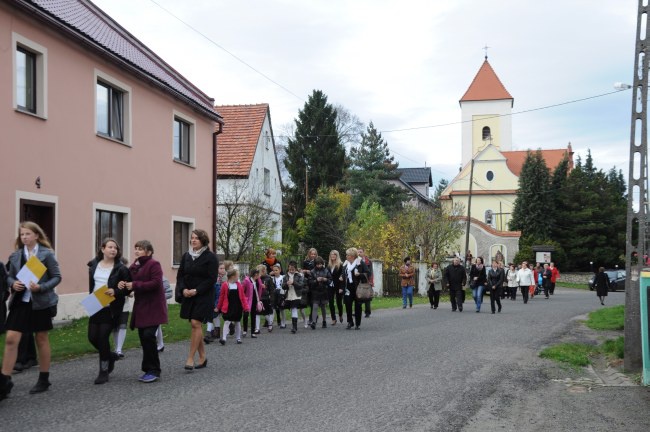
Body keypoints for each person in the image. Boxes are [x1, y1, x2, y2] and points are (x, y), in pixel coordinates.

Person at [1, 221, 61, 399]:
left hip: (40, 302)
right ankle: (4, 381)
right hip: (21, 301)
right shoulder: (16, 255)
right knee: (11, 338)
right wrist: (13, 283)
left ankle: (44, 378)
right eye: (22, 234)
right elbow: (9, 276)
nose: (24, 237)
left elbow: (57, 277)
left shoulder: (47, 254)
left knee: (41, 338)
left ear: (36, 235)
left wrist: (41, 287)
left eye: (27, 234)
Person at [119, 240, 167, 383]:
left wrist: (135, 284)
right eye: (136, 248)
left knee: (148, 336)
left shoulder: (154, 264)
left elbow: (155, 283)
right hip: (141, 307)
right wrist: (124, 284)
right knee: (143, 338)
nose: (137, 251)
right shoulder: (134, 266)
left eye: (140, 249)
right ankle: (147, 369)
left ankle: (154, 370)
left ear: (149, 252)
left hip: (154, 306)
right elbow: (129, 282)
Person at [87, 238, 130, 384]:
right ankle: (110, 356)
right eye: (110, 247)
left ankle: (103, 371)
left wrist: (116, 291)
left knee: (103, 337)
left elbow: (128, 288)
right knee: (92, 337)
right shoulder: (94, 265)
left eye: (115, 248)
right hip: (95, 304)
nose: (113, 250)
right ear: (102, 249)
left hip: (111, 308)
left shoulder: (121, 268)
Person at [176, 229, 218, 371]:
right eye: (192, 238)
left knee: (196, 322)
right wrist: (183, 290)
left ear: (203, 240)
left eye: (196, 238)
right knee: (196, 326)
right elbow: (180, 275)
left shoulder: (210, 257)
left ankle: (190, 358)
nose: (193, 240)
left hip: (203, 295)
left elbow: (211, 279)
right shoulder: (186, 256)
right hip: (188, 294)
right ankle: (203, 357)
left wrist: (197, 290)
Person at [217, 268, 248, 344]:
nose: (238, 277)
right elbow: (221, 297)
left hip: (237, 306)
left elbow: (243, 297)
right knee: (227, 321)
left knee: (237, 322)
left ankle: (238, 338)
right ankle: (224, 338)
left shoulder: (239, 285)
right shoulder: (225, 285)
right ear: (233, 276)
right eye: (237, 276)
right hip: (228, 307)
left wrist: (246, 306)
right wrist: (218, 307)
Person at [341, 248, 370, 330]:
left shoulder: (360, 263)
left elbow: (368, 273)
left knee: (358, 306)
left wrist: (359, 274)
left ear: (353, 256)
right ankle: (350, 322)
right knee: (348, 305)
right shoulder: (346, 264)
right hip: (348, 288)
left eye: (348, 255)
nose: (346, 256)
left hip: (358, 287)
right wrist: (341, 277)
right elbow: (343, 274)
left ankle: (357, 323)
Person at [204, 262, 226, 344]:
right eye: (221, 268)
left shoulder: (223, 280)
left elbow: (218, 295)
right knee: (212, 317)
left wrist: (217, 304)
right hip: (211, 303)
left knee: (220, 316)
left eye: (223, 268)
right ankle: (212, 333)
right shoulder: (211, 282)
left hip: (221, 301)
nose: (222, 270)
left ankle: (215, 332)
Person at [308, 257, 332, 329]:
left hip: (324, 291)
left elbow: (330, 280)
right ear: (315, 264)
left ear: (322, 264)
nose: (319, 266)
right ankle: (314, 322)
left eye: (320, 264)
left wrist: (325, 279)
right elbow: (309, 282)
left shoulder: (326, 270)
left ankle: (324, 321)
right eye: (317, 264)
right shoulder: (312, 271)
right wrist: (316, 280)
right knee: (315, 306)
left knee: (323, 307)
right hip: (315, 291)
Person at [283, 261, 305, 334]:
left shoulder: (299, 275)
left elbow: (300, 286)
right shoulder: (285, 276)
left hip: (296, 295)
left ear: (295, 269)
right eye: (290, 269)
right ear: (288, 268)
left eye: (293, 269)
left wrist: (293, 283)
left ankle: (294, 327)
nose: (291, 271)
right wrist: (286, 284)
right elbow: (283, 286)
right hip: (289, 295)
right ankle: (294, 326)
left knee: (294, 309)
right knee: (292, 309)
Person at [242, 268, 260, 338]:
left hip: (255, 300)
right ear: (255, 274)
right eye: (258, 274)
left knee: (253, 315)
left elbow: (259, 289)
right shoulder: (247, 281)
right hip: (248, 300)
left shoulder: (257, 281)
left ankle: (252, 332)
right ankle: (245, 330)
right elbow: (242, 290)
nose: (259, 276)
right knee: (246, 315)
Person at [327, 250, 344, 325]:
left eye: (334, 255)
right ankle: (333, 318)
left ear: (337, 256)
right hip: (330, 285)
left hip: (338, 285)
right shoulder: (328, 265)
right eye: (331, 255)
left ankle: (340, 314)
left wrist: (341, 287)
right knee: (330, 302)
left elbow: (342, 277)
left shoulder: (340, 265)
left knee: (339, 302)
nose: (332, 256)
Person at [256, 264, 274, 332]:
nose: (259, 274)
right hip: (258, 298)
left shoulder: (268, 278)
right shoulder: (256, 279)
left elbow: (272, 289)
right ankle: (257, 328)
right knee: (257, 313)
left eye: (260, 272)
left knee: (266, 313)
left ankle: (270, 324)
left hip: (266, 298)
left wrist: (271, 298)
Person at [302, 248, 317, 326]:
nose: (313, 255)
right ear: (309, 254)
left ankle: (312, 317)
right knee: (309, 299)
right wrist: (305, 271)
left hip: (314, 282)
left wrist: (311, 272)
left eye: (314, 254)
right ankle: (312, 316)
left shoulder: (317, 262)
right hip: (307, 282)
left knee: (313, 300)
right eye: (312, 254)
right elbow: (302, 271)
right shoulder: (305, 262)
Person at [358, 248, 374, 317]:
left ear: (364, 253)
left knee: (367, 296)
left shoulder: (368, 261)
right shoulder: (356, 261)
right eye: (358, 252)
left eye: (360, 252)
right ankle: (358, 311)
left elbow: (370, 272)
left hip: (366, 281)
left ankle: (367, 312)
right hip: (358, 281)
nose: (359, 253)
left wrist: (371, 281)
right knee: (358, 296)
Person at [270, 264, 286, 329]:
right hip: (274, 295)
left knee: (282, 309)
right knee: (273, 308)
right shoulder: (272, 278)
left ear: (280, 270)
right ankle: (270, 323)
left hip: (281, 294)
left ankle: (283, 323)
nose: (275, 272)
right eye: (274, 271)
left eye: (276, 270)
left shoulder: (283, 277)